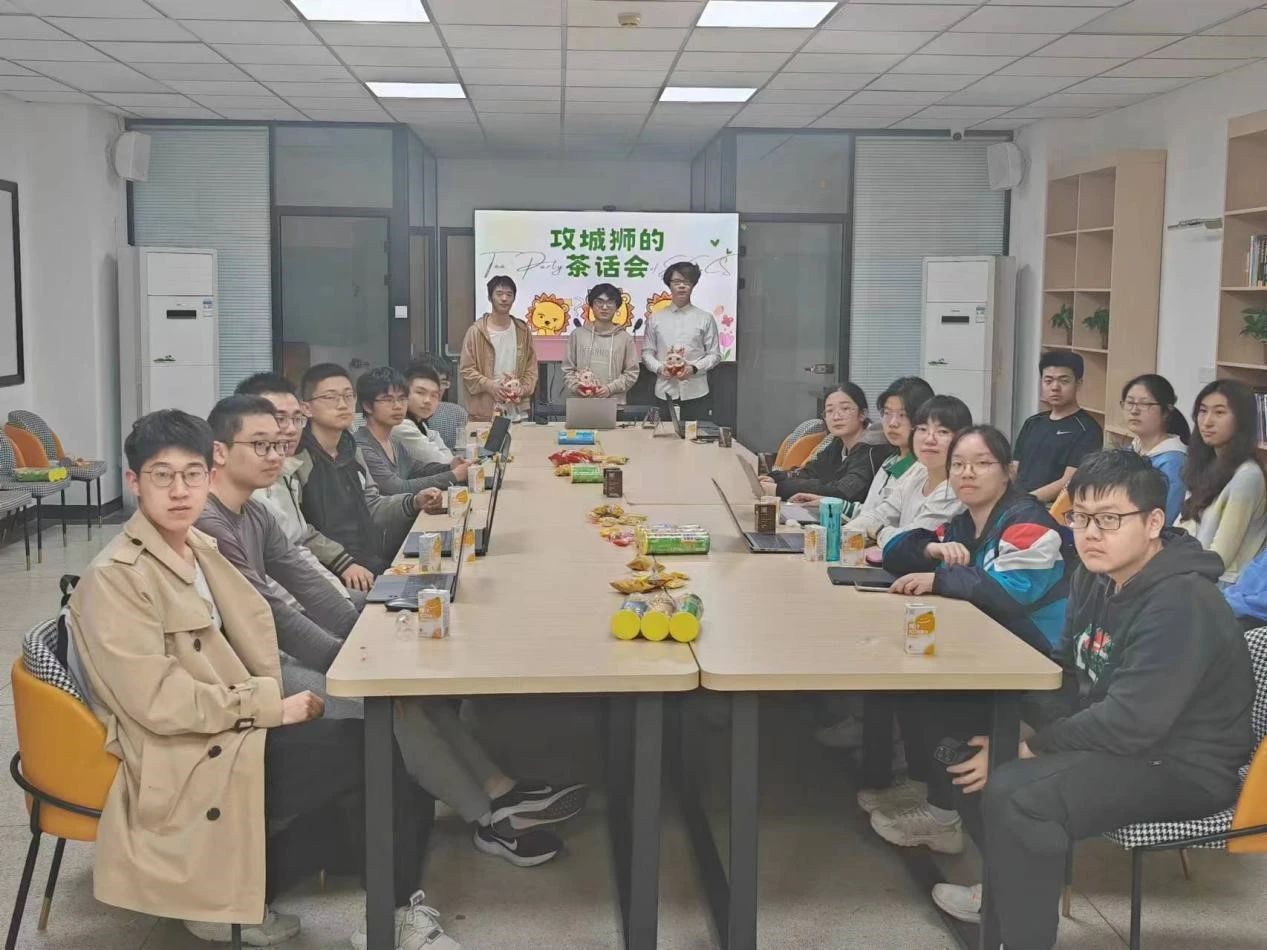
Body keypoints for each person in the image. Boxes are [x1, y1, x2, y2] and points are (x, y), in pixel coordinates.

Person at [65, 410, 455, 949]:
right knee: (373, 753)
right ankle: (385, 918)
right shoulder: (117, 579)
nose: (179, 491)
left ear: (210, 473)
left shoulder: (198, 546)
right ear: (134, 481)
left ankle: (249, 892)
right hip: (187, 750)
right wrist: (272, 705)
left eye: (192, 475)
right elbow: (158, 703)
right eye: (162, 476)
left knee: (375, 754)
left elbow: (271, 620)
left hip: (228, 729)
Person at [199, 396, 589, 869]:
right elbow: (270, 614)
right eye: (260, 444)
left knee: (409, 690)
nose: (276, 452)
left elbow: (305, 583)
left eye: (279, 442)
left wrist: (365, 638)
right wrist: (351, 661)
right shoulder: (209, 522)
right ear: (219, 451)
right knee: (390, 706)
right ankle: (489, 820)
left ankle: (500, 789)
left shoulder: (255, 513)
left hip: (273, 650)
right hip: (248, 672)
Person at [929, 451, 1254, 950]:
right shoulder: (1093, 575)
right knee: (974, 735)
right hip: (1123, 737)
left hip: (1183, 765)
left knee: (1017, 793)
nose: (1090, 533)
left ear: (1153, 523)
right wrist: (1017, 728)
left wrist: (1029, 747)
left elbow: (1132, 722)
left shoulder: (1182, 601)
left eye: (1109, 520)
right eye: (1080, 518)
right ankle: (1008, 895)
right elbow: (1067, 670)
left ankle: (1023, 933)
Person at [859, 427, 1073, 848]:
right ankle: (929, 788)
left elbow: (1008, 591)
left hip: (1042, 661)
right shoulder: (963, 522)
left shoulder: (1029, 523)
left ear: (1008, 471)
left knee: (943, 696)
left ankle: (944, 818)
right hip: (994, 645)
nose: (967, 473)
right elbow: (895, 551)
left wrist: (939, 578)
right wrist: (931, 551)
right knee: (907, 684)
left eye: (982, 463)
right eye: (958, 464)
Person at [296, 363, 444, 579]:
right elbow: (297, 530)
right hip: (328, 569)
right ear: (306, 408)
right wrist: (343, 563)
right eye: (330, 397)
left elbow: (371, 505)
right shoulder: (297, 458)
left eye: (348, 396)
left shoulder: (350, 449)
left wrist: (414, 501)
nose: (342, 404)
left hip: (367, 558)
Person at [233, 372, 355, 598]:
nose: (291, 429)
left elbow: (300, 546)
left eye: (297, 419)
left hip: (311, 591)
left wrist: (341, 597)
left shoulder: (287, 472)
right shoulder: (243, 490)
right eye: (280, 419)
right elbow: (270, 577)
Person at [844, 394, 972, 551]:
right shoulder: (915, 471)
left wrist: (878, 532)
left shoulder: (956, 488)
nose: (929, 439)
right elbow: (880, 513)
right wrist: (844, 533)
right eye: (922, 429)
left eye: (943, 431)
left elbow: (911, 540)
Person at [1176, 378, 1267, 584]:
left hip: (1223, 584)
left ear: (1241, 420)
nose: (1207, 422)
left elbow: (1219, 558)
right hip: (1193, 573)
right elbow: (1183, 527)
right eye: (1202, 411)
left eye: (1219, 413)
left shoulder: (1247, 475)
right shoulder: (1204, 465)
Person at [757, 383, 895, 505]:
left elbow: (843, 491)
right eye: (830, 410)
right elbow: (811, 472)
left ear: (862, 414)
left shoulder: (873, 448)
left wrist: (779, 488)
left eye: (845, 409)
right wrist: (775, 478)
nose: (836, 417)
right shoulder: (838, 442)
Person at [353, 365, 462, 496]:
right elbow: (395, 488)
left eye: (402, 399)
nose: (398, 406)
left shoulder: (393, 441)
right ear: (367, 406)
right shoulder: (362, 447)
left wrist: (450, 467)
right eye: (388, 400)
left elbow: (416, 469)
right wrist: (454, 475)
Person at [1013, 351, 1103, 502]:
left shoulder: (1088, 429)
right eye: (1048, 381)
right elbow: (1014, 468)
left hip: (1049, 508)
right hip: (1019, 503)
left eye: (1064, 381)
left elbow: (1068, 482)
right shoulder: (1032, 422)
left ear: (1078, 383)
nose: (1055, 387)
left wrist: (1025, 501)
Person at [642, 261, 721, 422]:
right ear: (669, 285)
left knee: (696, 436)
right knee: (664, 437)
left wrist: (694, 368)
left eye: (687, 282)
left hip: (696, 392)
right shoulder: (655, 319)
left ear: (693, 285)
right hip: (664, 392)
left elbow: (714, 355)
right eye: (677, 282)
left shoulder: (705, 318)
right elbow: (647, 353)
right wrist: (659, 368)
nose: (682, 286)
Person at [459, 275, 538, 422]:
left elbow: (531, 367)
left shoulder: (522, 330)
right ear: (490, 297)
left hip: (517, 409)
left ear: (514, 298)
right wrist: (491, 386)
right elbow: (466, 370)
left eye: (509, 294)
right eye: (499, 293)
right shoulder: (476, 331)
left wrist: (522, 388)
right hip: (484, 411)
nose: (504, 298)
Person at [1120, 372, 1189, 524]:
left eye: (1145, 404)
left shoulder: (1173, 461)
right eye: (1129, 402)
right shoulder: (1133, 448)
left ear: (1166, 411)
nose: (1134, 410)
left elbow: (1165, 519)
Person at [562, 282, 640, 402]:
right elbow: (567, 369)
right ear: (591, 305)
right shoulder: (577, 335)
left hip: (614, 402)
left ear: (617, 307)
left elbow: (632, 372)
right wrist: (578, 387)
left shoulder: (625, 338)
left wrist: (610, 388)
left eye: (610, 302)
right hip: (582, 402)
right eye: (599, 302)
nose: (604, 307)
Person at [395, 360, 460, 467]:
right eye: (420, 392)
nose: (428, 400)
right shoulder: (400, 424)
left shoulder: (420, 423)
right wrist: (451, 462)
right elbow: (442, 462)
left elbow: (445, 455)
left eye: (434, 395)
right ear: (404, 394)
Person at [417, 353, 469, 453]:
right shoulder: (404, 418)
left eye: (443, 382)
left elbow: (462, 452)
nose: (439, 388)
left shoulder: (457, 413)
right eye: (433, 382)